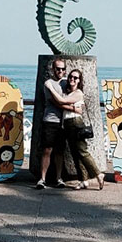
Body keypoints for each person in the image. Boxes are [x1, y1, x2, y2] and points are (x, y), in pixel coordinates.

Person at [59, 69, 103, 190]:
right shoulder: (68, 92)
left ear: (79, 81)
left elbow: (61, 101)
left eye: (75, 78)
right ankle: (83, 180)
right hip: (68, 123)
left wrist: (59, 102)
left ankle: (98, 174)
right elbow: (65, 103)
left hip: (75, 122)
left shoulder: (78, 93)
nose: (72, 79)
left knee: (82, 151)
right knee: (75, 153)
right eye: (71, 77)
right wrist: (72, 107)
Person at [35, 59, 74, 188]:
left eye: (63, 69)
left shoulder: (66, 83)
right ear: (53, 69)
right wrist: (73, 108)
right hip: (50, 120)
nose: (60, 71)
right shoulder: (49, 83)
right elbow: (57, 102)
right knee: (47, 149)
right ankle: (42, 178)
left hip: (63, 122)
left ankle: (59, 178)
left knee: (60, 151)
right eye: (58, 69)